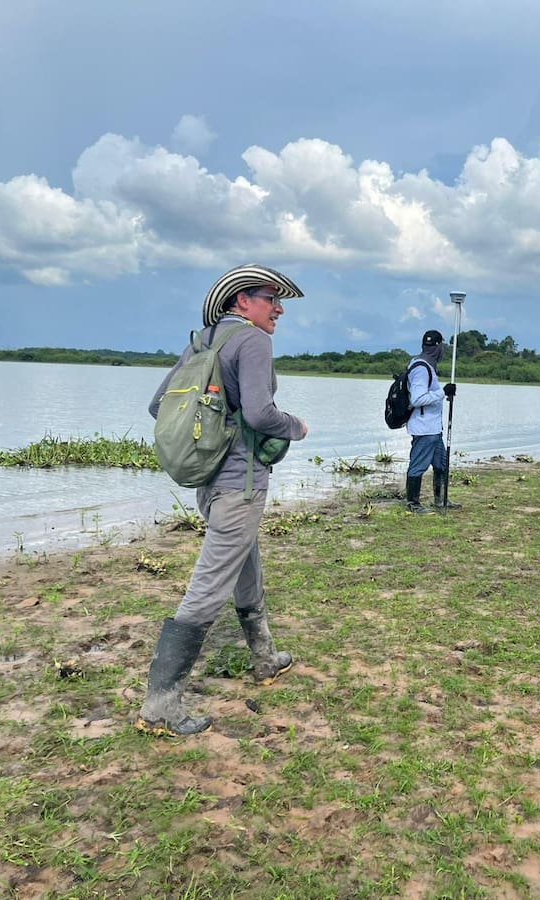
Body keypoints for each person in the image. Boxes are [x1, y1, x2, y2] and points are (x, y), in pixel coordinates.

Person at [137, 264, 310, 735]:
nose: (278, 308)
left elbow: (159, 405)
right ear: (242, 302)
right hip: (241, 483)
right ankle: (160, 706)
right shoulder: (253, 340)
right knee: (208, 587)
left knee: (244, 563)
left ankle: (264, 657)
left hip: (210, 482)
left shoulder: (203, 341)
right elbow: (260, 412)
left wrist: (215, 428)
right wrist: (296, 426)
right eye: (269, 298)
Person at [404, 329, 459, 513]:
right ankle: (413, 503)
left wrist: (444, 393)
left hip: (434, 428)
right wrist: (443, 392)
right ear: (439, 348)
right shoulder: (421, 368)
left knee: (441, 464)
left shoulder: (428, 366)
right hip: (424, 429)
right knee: (418, 465)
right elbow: (417, 399)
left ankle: (440, 499)